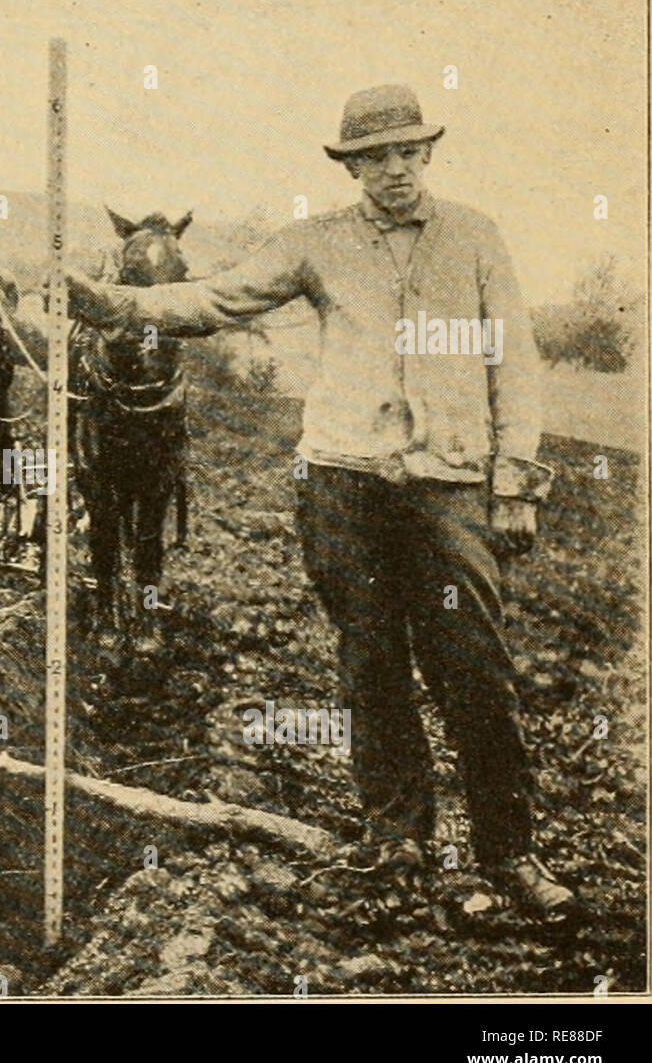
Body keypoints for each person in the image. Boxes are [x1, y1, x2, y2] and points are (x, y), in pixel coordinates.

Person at [65, 84, 574, 917]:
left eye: (408, 153)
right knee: (369, 663)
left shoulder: (477, 238)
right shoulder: (317, 243)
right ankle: (396, 840)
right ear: (352, 167)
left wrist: (515, 479)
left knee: (474, 669)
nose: (395, 170)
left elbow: (514, 362)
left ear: (428, 156)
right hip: (341, 483)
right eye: (376, 157)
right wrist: (110, 303)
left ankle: (509, 856)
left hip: (450, 487)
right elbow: (215, 299)